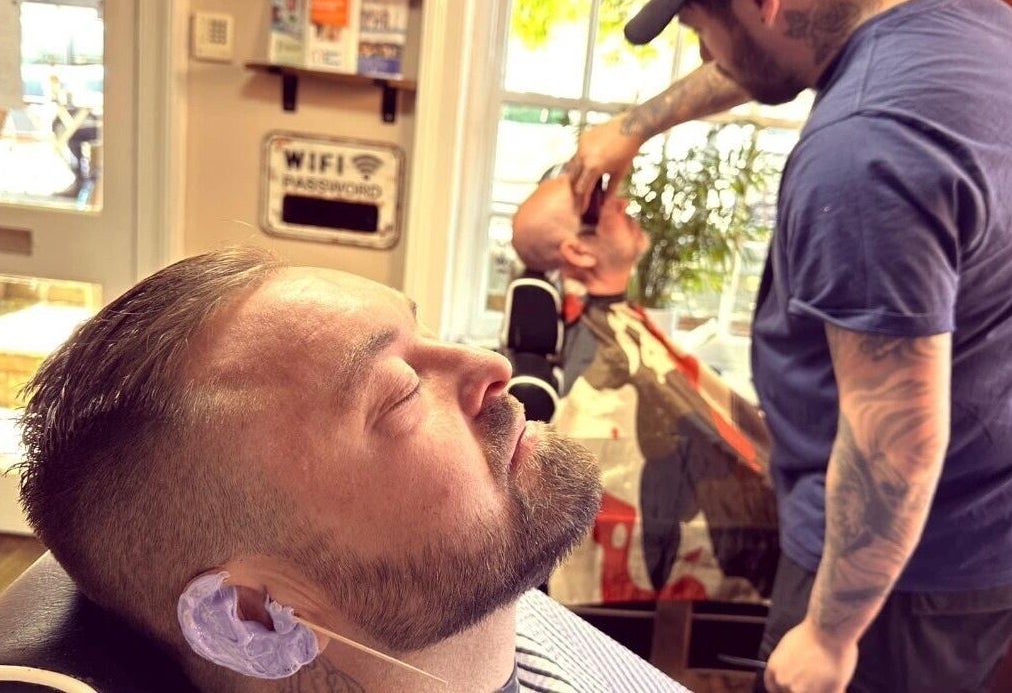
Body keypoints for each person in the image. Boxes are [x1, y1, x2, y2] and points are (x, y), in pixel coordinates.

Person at [559, 0, 1012, 691]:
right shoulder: (967, 23)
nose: (710, 57)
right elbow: (773, 55)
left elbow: (894, 443)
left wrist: (832, 638)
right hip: (974, 531)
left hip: (893, 584)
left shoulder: (865, 156)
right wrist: (635, 125)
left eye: (701, 31)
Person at [15, 245, 687, 693]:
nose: (492, 369)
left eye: (422, 331)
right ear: (248, 619)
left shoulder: (470, 590)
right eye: (399, 392)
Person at [513, 175, 778, 607]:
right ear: (578, 251)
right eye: (600, 206)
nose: (623, 203)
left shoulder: (610, 326)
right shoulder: (604, 368)